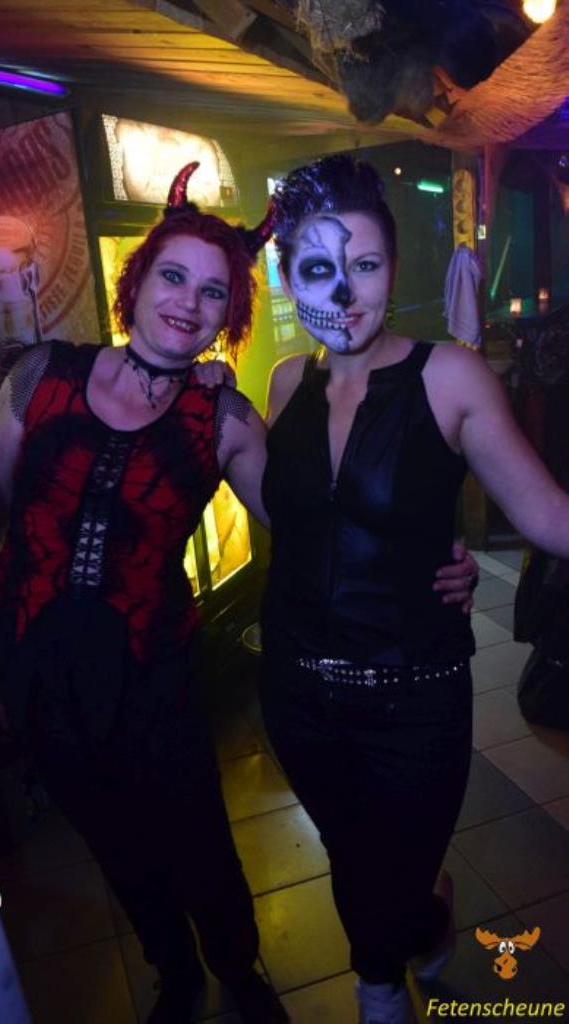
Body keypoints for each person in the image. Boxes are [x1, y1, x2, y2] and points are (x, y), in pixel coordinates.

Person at [0, 162, 475, 1024]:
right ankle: (174, 974)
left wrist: (436, 553)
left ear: (229, 314)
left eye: (212, 291)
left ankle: (238, 971)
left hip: (154, 670)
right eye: (173, 277)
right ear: (135, 282)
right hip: (33, 668)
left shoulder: (222, 415)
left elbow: (315, 514)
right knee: (113, 843)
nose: (186, 303)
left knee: (198, 839)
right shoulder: (40, 374)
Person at [258, 152, 569, 1024]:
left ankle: (381, 986)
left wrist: (440, 551)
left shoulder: (450, 375)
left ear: (392, 267)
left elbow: (549, 518)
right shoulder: (285, 382)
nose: (344, 292)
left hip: (413, 697)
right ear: (286, 277)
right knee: (354, 858)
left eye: (363, 264)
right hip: (296, 692)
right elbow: (293, 517)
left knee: (386, 878)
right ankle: (404, 950)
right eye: (317, 269)